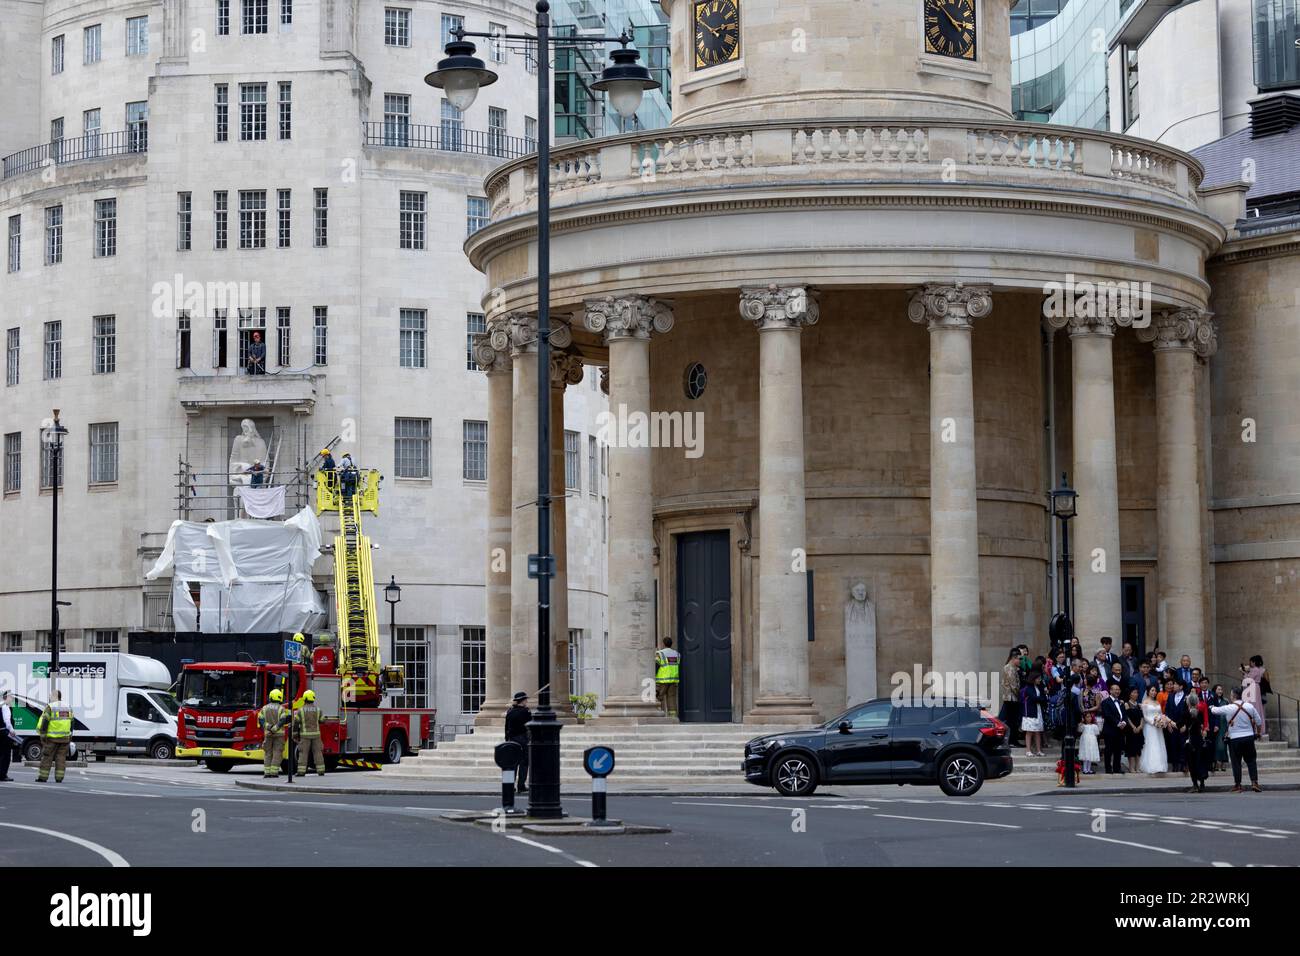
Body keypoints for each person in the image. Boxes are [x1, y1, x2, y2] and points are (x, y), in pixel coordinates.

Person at [1211, 688, 1263, 793]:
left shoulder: (1229, 707)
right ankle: (1254, 782)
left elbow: (1215, 711)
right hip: (1248, 737)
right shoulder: (1249, 706)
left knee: (1236, 762)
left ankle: (1238, 785)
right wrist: (1258, 733)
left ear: (1233, 696)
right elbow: (1258, 721)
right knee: (1251, 761)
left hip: (1234, 739)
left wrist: (1210, 706)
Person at [35, 691, 74, 784]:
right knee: (61, 758)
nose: (49, 698)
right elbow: (72, 722)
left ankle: (43, 777)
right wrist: (70, 734)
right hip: (65, 738)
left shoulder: (50, 707)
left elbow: (45, 721)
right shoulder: (68, 707)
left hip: (52, 738)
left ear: (54, 696)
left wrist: (43, 735)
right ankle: (59, 778)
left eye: (50, 696)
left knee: (47, 757)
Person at [257, 688, 291, 778]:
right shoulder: (281, 708)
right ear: (279, 697)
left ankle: (267, 772)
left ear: (271, 697)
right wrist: (275, 728)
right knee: (277, 753)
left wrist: (268, 727)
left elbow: (260, 719)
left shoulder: (264, 708)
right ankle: (274, 773)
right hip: (279, 734)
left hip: (268, 734)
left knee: (268, 753)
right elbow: (283, 720)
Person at [1180, 694, 1209, 793]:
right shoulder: (1199, 713)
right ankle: (1202, 784)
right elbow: (1202, 726)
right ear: (1197, 702)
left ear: (1188, 702)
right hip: (1199, 740)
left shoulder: (1185, 714)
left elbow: (1181, 726)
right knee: (1200, 761)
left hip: (1190, 741)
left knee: (1191, 763)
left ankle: (1195, 785)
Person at [293, 689, 326, 777]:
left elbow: (296, 723)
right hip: (316, 735)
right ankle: (321, 771)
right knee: (318, 753)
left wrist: (295, 734)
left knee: (303, 753)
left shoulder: (300, 710)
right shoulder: (318, 710)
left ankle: (301, 772)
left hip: (305, 736)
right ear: (313, 698)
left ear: (304, 698)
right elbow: (322, 720)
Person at [505, 692, 531, 794]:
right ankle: (521, 786)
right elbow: (530, 725)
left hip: (511, 739)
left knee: (512, 764)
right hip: (522, 739)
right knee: (524, 763)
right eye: (526, 700)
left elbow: (506, 727)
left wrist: (507, 739)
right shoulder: (526, 712)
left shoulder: (510, 711)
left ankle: (510, 786)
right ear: (523, 700)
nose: (527, 701)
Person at [1140, 685, 1169, 775]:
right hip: (1150, 726)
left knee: (1159, 744)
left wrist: (1162, 721)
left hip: (1158, 727)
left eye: (1155, 690)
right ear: (1148, 691)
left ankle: (1160, 766)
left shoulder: (1157, 702)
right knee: (1151, 744)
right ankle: (1151, 766)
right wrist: (1153, 723)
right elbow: (1144, 716)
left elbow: (1160, 713)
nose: (1154, 692)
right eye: (1152, 690)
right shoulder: (1145, 702)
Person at [1099, 682, 1127, 774]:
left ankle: (1117, 768)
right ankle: (1108, 768)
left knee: (1118, 749)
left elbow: (1124, 714)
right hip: (1110, 729)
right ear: (1110, 691)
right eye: (1115, 689)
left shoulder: (1121, 702)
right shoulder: (1105, 702)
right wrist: (1117, 723)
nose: (1117, 691)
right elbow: (1107, 715)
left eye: (1118, 689)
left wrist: (1124, 722)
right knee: (1109, 749)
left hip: (1120, 730)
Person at [1020, 670, 1047, 756]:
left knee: (1038, 731)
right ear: (1033, 679)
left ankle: (1039, 750)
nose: (1040, 680)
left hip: (1038, 711)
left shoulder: (1038, 687)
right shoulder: (1028, 688)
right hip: (1030, 712)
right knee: (1029, 731)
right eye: (1038, 679)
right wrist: (1042, 698)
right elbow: (1035, 698)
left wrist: (1042, 698)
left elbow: (1042, 698)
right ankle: (1028, 750)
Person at [999, 648, 1022, 747]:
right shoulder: (1010, 668)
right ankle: (1012, 741)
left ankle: (1012, 740)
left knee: (1010, 720)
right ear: (1014, 658)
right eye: (1019, 659)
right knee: (1011, 721)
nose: (1020, 661)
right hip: (1011, 698)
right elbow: (1014, 686)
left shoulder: (1012, 668)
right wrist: (1020, 695)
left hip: (1011, 698)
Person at [655, 638, 681, 718]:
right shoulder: (677, 654)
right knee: (671, 698)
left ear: (663, 644)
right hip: (673, 680)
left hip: (663, 680)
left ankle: (657, 715)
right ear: (671, 644)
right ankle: (673, 717)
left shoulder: (660, 653)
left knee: (658, 697)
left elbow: (656, 663)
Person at [1122, 686, 1145, 773]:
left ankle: (1137, 767)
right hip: (1130, 729)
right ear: (1130, 694)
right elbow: (1127, 717)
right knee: (1131, 749)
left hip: (1139, 729)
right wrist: (1133, 727)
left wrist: (1140, 726)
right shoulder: (1127, 704)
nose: (1135, 694)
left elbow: (1142, 717)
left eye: (1136, 693)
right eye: (1134, 692)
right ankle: (1131, 767)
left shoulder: (1139, 705)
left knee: (1138, 748)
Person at [0, 690, 17, 782]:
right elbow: (7, 721)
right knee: (6, 755)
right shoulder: (5, 707)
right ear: (6, 697)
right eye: (11, 697)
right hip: (4, 733)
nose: (12, 699)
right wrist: (12, 730)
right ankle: (2, 775)